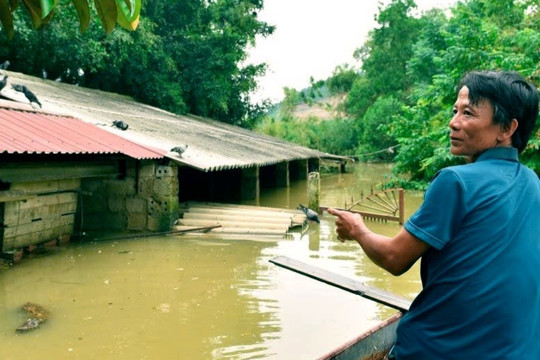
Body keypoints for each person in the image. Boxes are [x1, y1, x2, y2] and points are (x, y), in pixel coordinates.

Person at [328, 70, 540, 360]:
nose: (453, 123)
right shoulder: (533, 182)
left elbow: (395, 258)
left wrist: (358, 231)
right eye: (455, 111)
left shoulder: (455, 182)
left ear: (507, 128)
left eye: (468, 113)